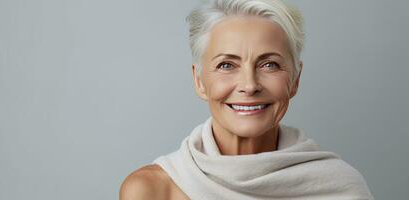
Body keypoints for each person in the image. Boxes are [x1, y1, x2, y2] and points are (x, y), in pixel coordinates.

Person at [120, 0, 374, 199]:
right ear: (199, 81)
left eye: (270, 64)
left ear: (295, 79)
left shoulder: (340, 189)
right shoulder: (152, 191)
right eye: (226, 65)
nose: (249, 85)